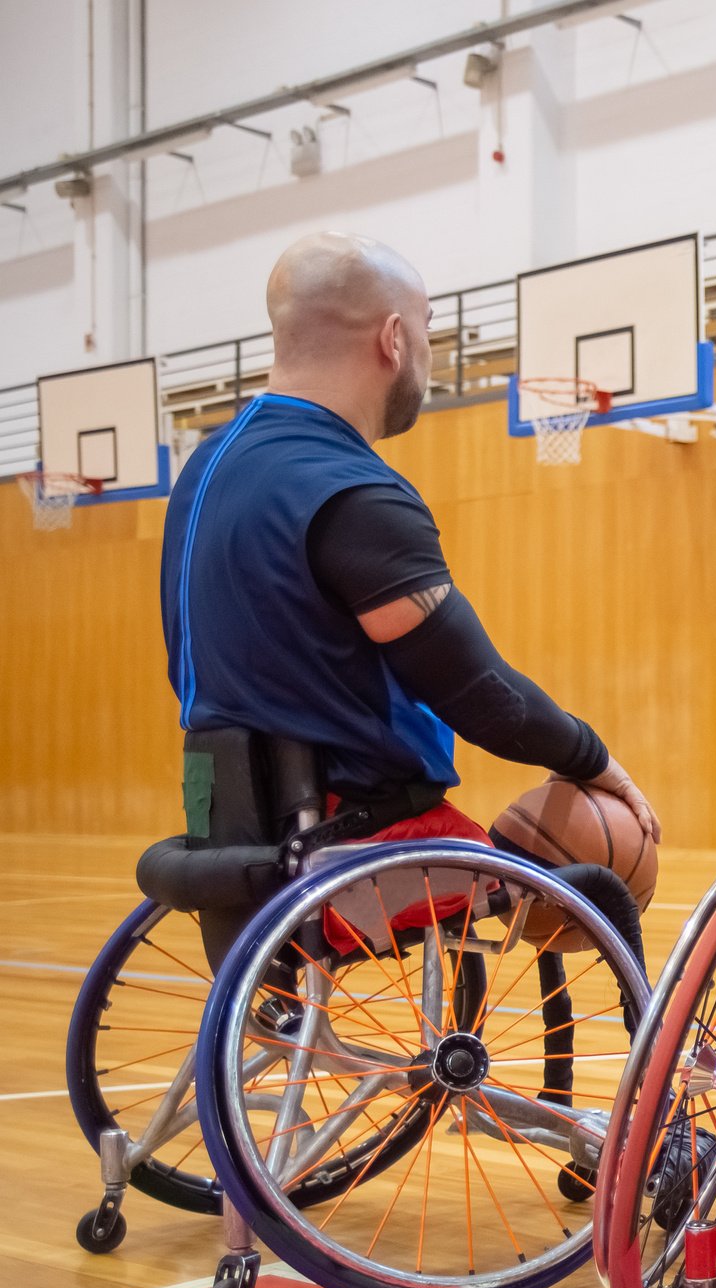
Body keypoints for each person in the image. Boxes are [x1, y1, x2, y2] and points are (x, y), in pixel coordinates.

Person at [159, 231, 656, 947]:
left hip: (227, 825)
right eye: (427, 330)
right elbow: (481, 695)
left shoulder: (205, 469)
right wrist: (593, 760)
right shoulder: (352, 491)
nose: (428, 351)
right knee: (597, 880)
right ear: (394, 339)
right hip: (353, 836)